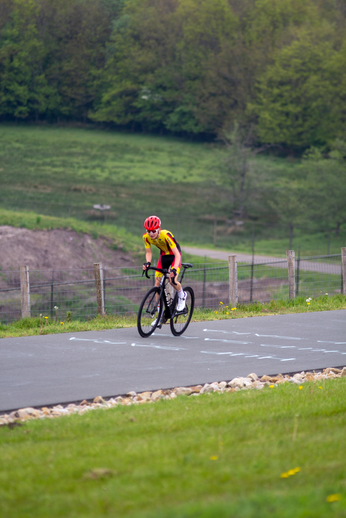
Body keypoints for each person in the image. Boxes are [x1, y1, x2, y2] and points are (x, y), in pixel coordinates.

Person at [142, 215, 186, 325]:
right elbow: (149, 252)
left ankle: (182, 295)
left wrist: (174, 269)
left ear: (159, 229)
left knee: (172, 280)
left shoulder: (166, 235)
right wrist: (148, 263)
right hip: (164, 257)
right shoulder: (146, 237)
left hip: (174, 256)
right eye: (148, 231)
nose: (151, 233)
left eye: (153, 231)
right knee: (157, 284)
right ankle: (160, 315)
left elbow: (177, 254)